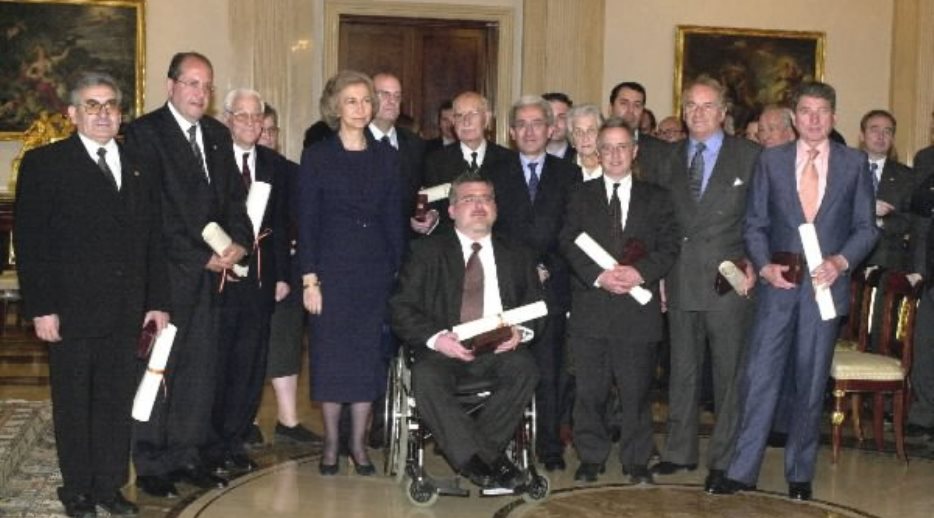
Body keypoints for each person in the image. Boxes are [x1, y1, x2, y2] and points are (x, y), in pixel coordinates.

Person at [709, 82, 878, 501]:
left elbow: (866, 228)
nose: (814, 119)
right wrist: (764, 266)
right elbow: (755, 223)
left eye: (822, 112)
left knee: (810, 381)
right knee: (759, 379)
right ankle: (742, 469)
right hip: (778, 289)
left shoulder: (854, 164)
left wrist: (840, 262)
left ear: (834, 117)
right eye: (806, 111)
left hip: (825, 291)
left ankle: (800, 473)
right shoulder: (771, 161)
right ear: (794, 118)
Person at [15, 72, 169, 518]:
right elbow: (31, 243)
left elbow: (152, 239)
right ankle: (78, 489)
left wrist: (157, 301)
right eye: (92, 105)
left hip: (126, 309)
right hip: (71, 309)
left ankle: (108, 485)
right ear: (72, 114)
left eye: (111, 105)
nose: (103, 114)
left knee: (114, 401)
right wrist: (41, 307)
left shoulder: (140, 162)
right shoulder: (46, 164)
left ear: (121, 114)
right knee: (75, 403)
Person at [126, 51, 252, 498]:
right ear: (171, 85)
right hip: (167, 275)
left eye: (207, 86)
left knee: (201, 370)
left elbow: (236, 203)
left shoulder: (218, 136)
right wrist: (201, 255)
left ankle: (186, 453)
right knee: (159, 368)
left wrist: (238, 241)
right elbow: (150, 214)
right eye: (193, 84)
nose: (201, 93)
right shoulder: (144, 134)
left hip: (214, 280)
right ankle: (151, 459)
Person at [389, 175, 542, 489]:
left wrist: (521, 333)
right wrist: (437, 339)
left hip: (498, 350)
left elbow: (537, 306)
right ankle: (492, 461)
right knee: (426, 377)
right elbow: (401, 307)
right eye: (469, 199)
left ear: (496, 208)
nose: (478, 205)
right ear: (452, 210)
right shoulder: (426, 252)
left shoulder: (517, 253)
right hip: (444, 350)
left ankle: (475, 459)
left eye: (485, 198)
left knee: (526, 368)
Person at [651, 77, 759, 492]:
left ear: (723, 111)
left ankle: (725, 458)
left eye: (706, 105)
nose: (697, 113)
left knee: (728, 374)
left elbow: (760, 219)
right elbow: (660, 221)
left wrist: (753, 264)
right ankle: (678, 451)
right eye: (690, 106)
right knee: (682, 369)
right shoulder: (667, 158)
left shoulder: (748, 156)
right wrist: (658, 274)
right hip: (678, 277)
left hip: (728, 280)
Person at [559, 118, 679, 484]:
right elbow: (567, 240)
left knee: (637, 391)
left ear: (635, 151)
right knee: (590, 391)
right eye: (606, 147)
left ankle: (636, 460)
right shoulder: (580, 195)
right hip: (592, 307)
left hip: (636, 311)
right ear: (597, 151)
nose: (614, 154)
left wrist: (640, 274)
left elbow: (669, 245)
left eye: (621, 147)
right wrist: (599, 276)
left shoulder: (656, 197)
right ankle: (591, 456)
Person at [298, 70, 404, 476]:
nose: (360, 108)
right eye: (352, 101)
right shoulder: (318, 156)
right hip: (331, 272)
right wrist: (310, 278)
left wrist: (399, 274)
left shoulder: (387, 157)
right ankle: (330, 444)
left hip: (374, 272)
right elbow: (306, 223)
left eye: (365, 101)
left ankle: (359, 445)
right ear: (335, 107)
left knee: (365, 362)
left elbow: (394, 221)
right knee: (330, 360)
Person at [203, 88, 289, 473]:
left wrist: (283, 277)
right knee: (216, 365)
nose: (251, 124)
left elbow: (285, 226)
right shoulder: (211, 161)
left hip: (260, 280)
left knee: (250, 366)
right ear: (226, 119)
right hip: (217, 280)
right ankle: (209, 444)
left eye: (258, 118)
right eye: (243, 117)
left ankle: (235, 440)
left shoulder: (276, 165)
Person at [491, 95, 579, 471]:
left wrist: (547, 264)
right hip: (506, 288)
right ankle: (505, 443)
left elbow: (574, 231)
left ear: (550, 129)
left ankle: (549, 446)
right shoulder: (494, 173)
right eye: (521, 125)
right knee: (506, 368)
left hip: (553, 286)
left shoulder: (569, 175)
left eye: (536, 124)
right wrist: (524, 267)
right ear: (512, 133)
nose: (529, 131)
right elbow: (487, 229)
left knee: (549, 369)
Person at [259, 104, 321, 445]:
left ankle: (288, 420)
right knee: (248, 349)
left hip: (289, 269)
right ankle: (246, 421)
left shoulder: (292, 172)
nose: (266, 136)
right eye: (261, 128)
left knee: (286, 344)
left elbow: (303, 221)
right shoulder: (231, 168)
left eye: (272, 130)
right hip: (246, 271)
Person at [422, 91, 515, 233]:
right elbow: (431, 206)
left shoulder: (509, 160)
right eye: (459, 115)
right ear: (453, 122)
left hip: (498, 247)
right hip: (451, 247)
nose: (466, 121)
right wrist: (430, 217)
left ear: (487, 118)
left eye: (473, 114)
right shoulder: (435, 161)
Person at [367, 72, 431, 236]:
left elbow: (427, 190)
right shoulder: (354, 142)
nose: (392, 101)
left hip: (407, 244)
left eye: (397, 96)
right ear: (368, 98)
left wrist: (431, 214)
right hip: (363, 245)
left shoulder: (416, 145)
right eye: (385, 94)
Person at [607, 81, 671, 184]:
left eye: (637, 105)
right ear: (610, 108)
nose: (630, 111)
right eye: (624, 103)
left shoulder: (660, 152)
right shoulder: (595, 146)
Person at [566, 104, 605, 182]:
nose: (585, 138)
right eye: (578, 132)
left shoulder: (615, 166)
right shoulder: (562, 170)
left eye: (591, 130)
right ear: (572, 139)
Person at [543, 92, 574, 161]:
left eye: (561, 117)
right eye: (549, 116)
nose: (554, 123)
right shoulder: (524, 156)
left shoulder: (580, 157)